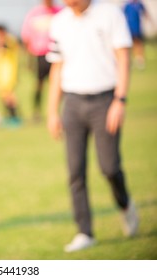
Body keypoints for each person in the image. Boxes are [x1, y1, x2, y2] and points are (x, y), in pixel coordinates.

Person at [46, 0, 138, 253]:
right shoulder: (59, 21)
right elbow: (57, 67)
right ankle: (84, 231)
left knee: (109, 167)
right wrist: (53, 111)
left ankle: (125, 205)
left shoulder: (110, 14)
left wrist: (120, 100)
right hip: (73, 102)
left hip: (105, 100)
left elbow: (123, 57)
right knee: (75, 171)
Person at [21, 0, 61, 122]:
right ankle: (36, 111)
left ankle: (58, 111)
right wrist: (28, 58)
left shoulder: (60, 12)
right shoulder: (34, 13)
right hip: (40, 55)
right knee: (39, 84)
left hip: (58, 55)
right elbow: (26, 37)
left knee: (59, 84)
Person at [0, 24, 22, 127]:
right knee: (4, 95)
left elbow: (6, 46)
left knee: (10, 95)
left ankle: (15, 118)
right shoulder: (2, 40)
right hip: (2, 72)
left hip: (9, 72)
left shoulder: (9, 40)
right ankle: (9, 117)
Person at [123, 0, 150, 69]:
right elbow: (122, 15)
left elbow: (145, 13)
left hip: (137, 28)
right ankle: (129, 61)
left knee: (138, 44)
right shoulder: (127, 5)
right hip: (129, 28)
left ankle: (140, 61)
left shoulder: (139, 4)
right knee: (129, 45)